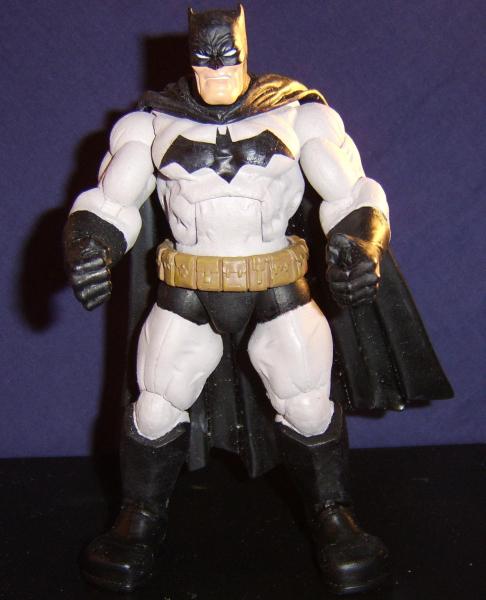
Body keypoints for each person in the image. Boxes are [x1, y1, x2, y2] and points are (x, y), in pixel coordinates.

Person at [64, 5, 451, 594]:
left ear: (244, 50)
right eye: (204, 58)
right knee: (156, 405)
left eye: (227, 55)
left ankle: (333, 515)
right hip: (188, 289)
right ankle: (138, 518)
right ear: (190, 57)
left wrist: (361, 244)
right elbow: (111, 202)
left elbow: (351, 194)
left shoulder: (298, 114)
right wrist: (87, 246)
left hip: (277, 286)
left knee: (308, 404)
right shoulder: (150, 125)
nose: (216, 68)